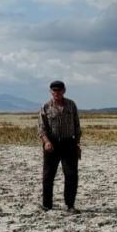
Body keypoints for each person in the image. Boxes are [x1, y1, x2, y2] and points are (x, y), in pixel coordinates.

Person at [38, 80, 81, 214]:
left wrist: (77, 143)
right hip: (52, 144)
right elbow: (41, 128)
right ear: (51, 92)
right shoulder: (45, 107)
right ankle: (47, 204)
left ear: (64, 91)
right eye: (54, 91)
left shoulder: (71, 105)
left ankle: (70, 205)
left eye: (59, 90)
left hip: (69, 143)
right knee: (48, 175)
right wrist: (46, 142)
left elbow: (77, 125)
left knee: (71, 175)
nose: (56, 93)